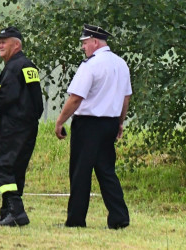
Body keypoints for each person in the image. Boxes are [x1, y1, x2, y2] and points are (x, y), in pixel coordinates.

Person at [54, 24, 131, 229]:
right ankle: (119, 217)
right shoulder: (121, 63)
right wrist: (120, 122)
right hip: (110, 123)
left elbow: (76, 98)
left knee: (81, 171)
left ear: (95, 42)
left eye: (85, 43)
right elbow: (126, 98)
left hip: (88, 124)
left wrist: (60, 121)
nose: (83, 47)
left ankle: (76, 220)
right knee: (106, 171)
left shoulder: (91, 65)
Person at [0, 26, 44, 227]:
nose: (0, 44)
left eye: (4, 41)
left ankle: (16, 211)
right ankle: (7, 213)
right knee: (14, 170)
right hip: (27, 127)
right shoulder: (28, 66)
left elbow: (7, 98)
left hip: (11, 127)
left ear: (17, 44)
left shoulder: (15, 67)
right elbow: (32, 101)